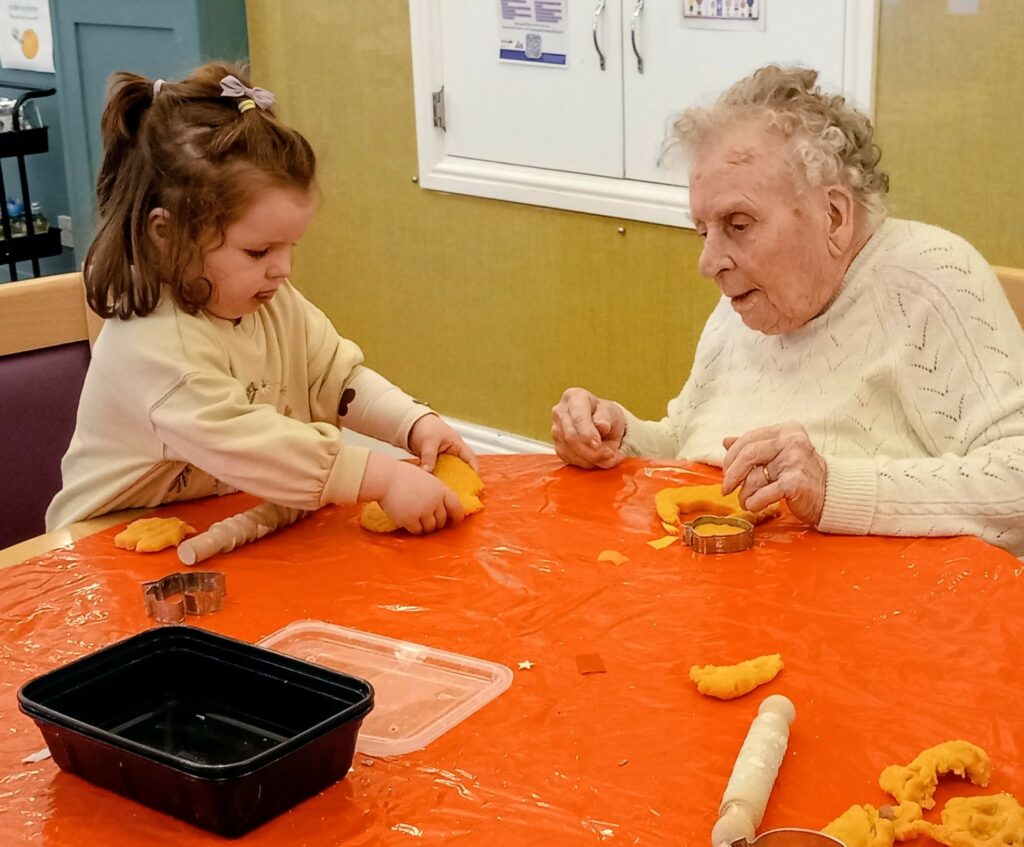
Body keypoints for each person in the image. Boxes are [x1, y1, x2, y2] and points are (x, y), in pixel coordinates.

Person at [551, 65, 1024, 557]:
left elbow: (1017, 482)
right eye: (702, 231)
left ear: (833, 216)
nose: (708, 263)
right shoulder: (755, 296)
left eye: (738, 224)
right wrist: (619, 437)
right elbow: (691, 441)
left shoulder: (930, 279)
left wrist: (832, 488)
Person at [47, 63, 476, 535]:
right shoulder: (154, 343)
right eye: (258, 251)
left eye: (291, 246)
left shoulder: (271, 300)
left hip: (217, 522)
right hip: (101, 552)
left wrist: (414, 424)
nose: (283, 269)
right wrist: (384, 476)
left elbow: (335, 377)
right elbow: (251, 444)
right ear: (167, 235)